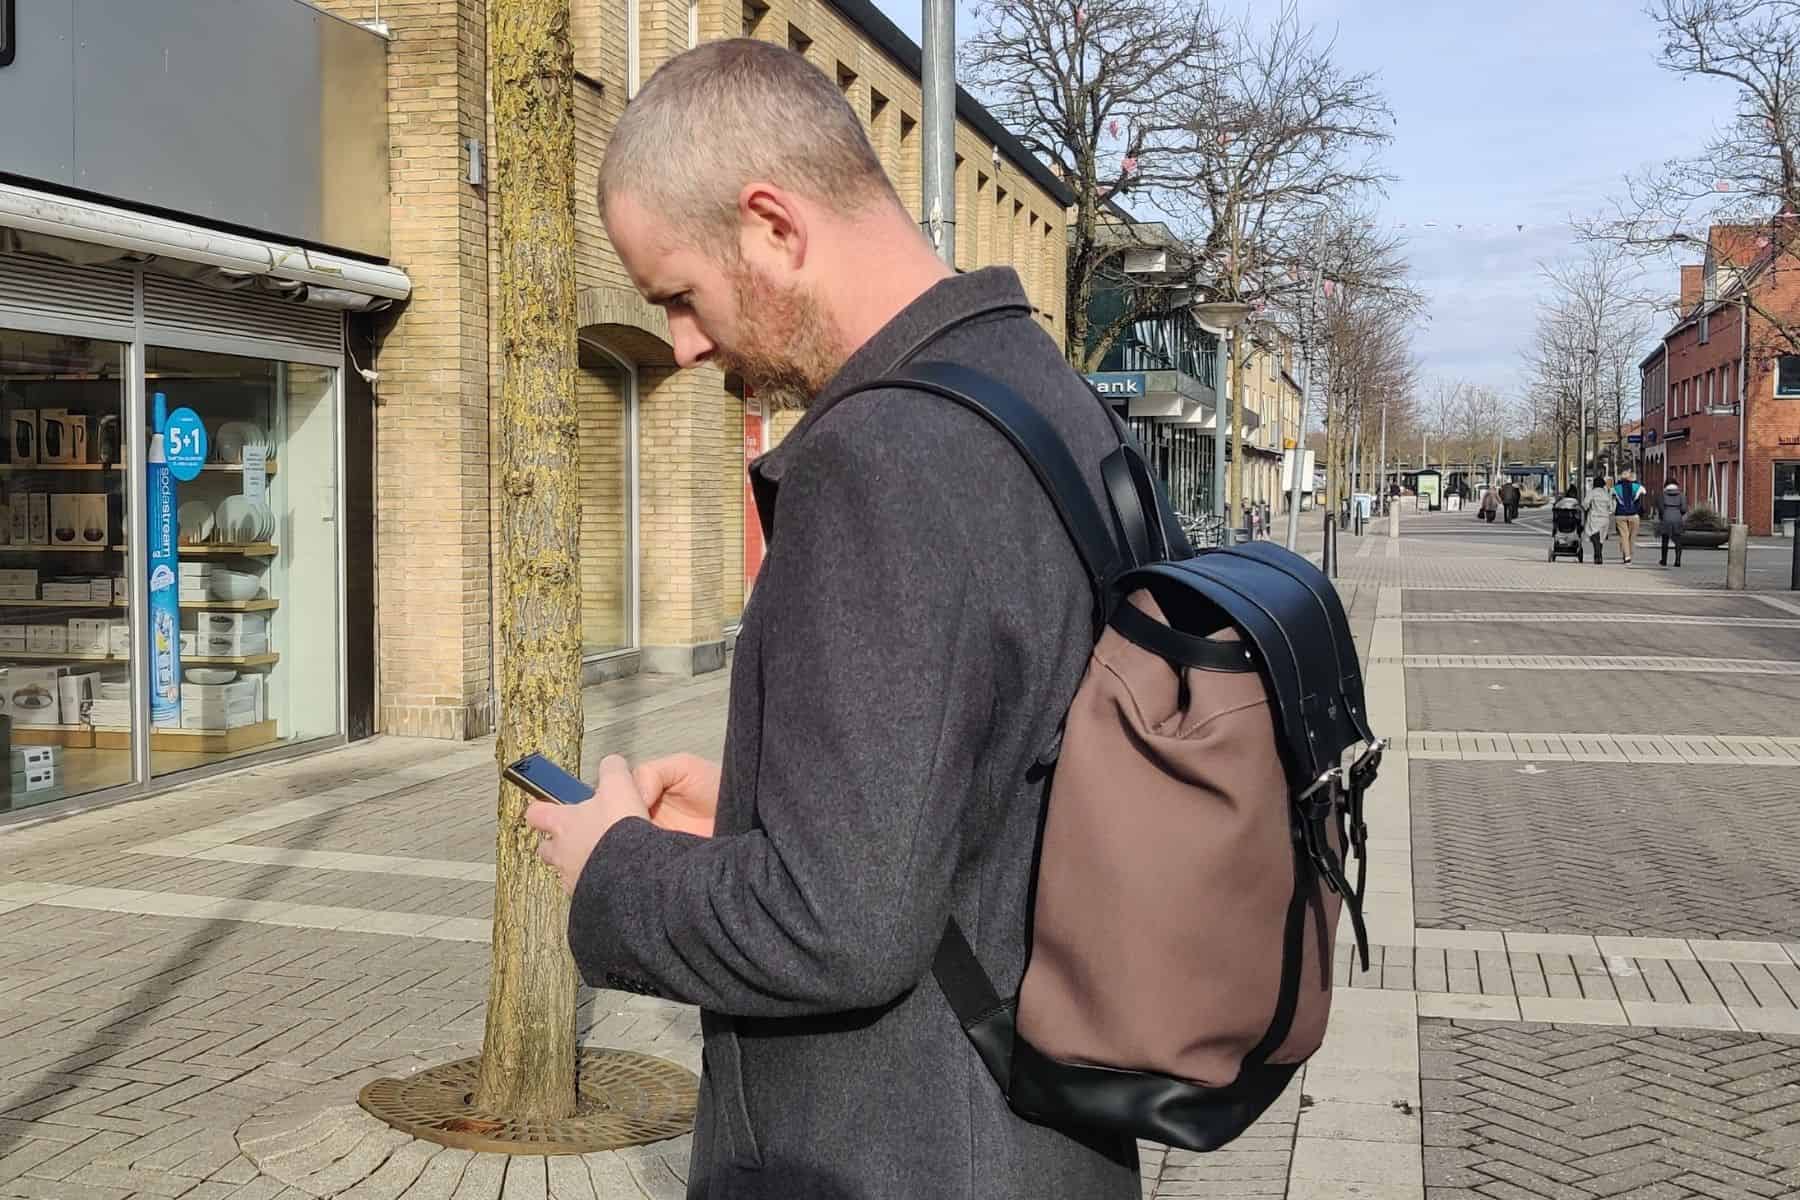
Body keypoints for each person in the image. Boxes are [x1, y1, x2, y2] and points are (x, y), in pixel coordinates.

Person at [522, 40, 1140, 1200]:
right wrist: (755, 810)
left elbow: (836, 927)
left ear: (771, 225)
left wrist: (613, 869)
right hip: (1040, 1130)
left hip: (899, 1149)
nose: (686, 343)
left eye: (679, 297)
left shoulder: (884, 462)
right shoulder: (1040, 396)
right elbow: (981, 792)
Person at [1611, 469, 1645, 565]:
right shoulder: (1637, 487)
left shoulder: (1615, 488)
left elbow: (1612, 498)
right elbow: (1644, 492)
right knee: (1632, 537)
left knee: (1624, 536)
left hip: (1620, 514)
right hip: (1634, 515)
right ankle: (1629, 554)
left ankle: (1627, 556)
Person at [1582, 473, 1614, 564]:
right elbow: (1611, 507)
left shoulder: (1592, 492)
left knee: (1594, 536)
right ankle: (1599, 555)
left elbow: (1585, 504)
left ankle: (1597, 555)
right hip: (1605, 518)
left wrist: (1586, 509)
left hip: (1594, 517)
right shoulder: (1606, 494)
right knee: (1601, 539)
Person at [1657, 478, 1688, 567]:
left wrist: (1663, 516)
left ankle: (1664, 560)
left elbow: (1661, 508)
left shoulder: (1662, 495)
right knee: (1678, 540)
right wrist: (1678, 514)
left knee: (1665, 540)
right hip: (1677, 518)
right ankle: (1677, 561)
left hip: (1666, 517)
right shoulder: (1681, 495)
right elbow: (1684, 509)